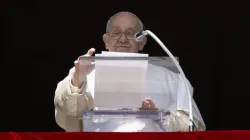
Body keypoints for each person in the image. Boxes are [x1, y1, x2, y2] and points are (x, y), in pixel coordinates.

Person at [54, 11, 206, 132]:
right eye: (116, 33)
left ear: (142, 42)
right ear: (106, 40)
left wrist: (159, 115)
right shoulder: (84, 73)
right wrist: (77, 81)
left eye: (130, 33)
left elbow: (192, 124)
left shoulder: (171, 78)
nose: (123, 39)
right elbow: (67, 111)